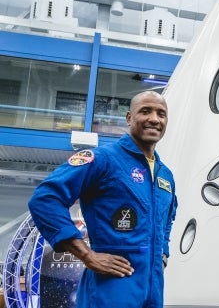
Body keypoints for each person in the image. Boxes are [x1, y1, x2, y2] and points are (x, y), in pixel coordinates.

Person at [28, 90, 177, 308]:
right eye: (146, 111)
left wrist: (162, 254)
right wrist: (87, 255)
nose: (154, 119)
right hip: (109, 289)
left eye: (161, 114)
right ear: (129, 118)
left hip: (153, 289)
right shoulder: (102, 160)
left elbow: (168, 218)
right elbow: (45, 199)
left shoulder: (166, 175)